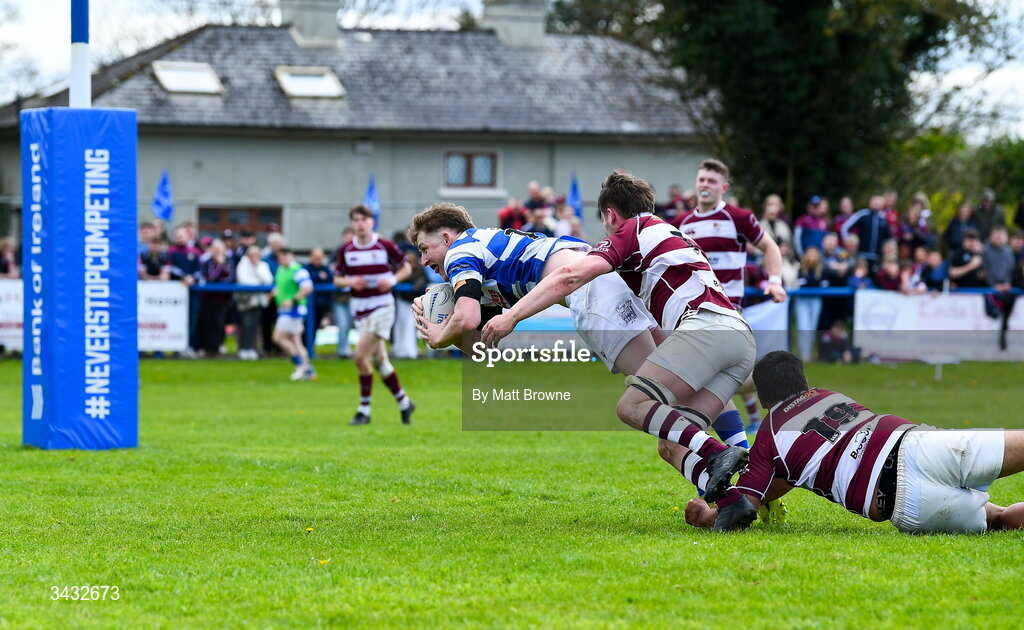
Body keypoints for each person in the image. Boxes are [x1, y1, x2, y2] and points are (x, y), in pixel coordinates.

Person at [476, 171, 760, 528]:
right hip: (738, 337)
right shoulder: (671, 232)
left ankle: (722, 452)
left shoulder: (633, 231)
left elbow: (569, 277)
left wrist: (511, 317)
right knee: (671, 442)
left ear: (611, 215)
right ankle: (740, 502)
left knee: (633, 405)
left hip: (706, 329)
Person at [685, 351, 1024, 533]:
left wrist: (705, 513)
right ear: (805, 381)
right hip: (914, 447)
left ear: (761, 400)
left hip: (904, 506)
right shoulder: (830, 395)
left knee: (1000, 520)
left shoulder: (768, 439)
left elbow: (744, 509)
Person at [674, 158, 787, 437]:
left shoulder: (737, 217)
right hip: (693, 312)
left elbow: (770, 247)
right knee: (718, 376)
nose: (704, 185)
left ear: (723, 187)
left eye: (711, 181)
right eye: (701, 180)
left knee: (706, 375)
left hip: (727, 309)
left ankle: (731, 439)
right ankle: (782, 394)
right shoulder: (680, 224)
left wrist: (774, 281)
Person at [334, 205, 414, 425]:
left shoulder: (384, 245)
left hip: (382, 307)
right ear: (352, 223)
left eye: (363, 219)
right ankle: (405, 403)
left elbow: (406, 267)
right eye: (356, 219)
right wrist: (350, 281)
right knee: (380, 362)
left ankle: (364, 410)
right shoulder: (347, 250)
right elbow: (337, 278)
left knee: (359, 356)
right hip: (359, 309)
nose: (360, 223)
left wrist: (391, 280)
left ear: (372, 222)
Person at [272, 247, 316, 380]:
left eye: (285, 255)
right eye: (280, 256)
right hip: (284, 310)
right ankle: (308, 369)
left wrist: (293, 300)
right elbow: (280, 286)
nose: (282, 259)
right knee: (296, 341)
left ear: (291, 256)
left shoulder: (298, 270)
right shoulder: (281, 270)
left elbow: (307, 288)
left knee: (278, 337)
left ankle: (301, 366)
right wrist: (274, 293)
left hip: (294, 310)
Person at [235, 245, 274, 360]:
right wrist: (258, 283)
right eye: (252, 255)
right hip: (246, 300)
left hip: (259, 300)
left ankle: (252, 348)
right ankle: (244, 348)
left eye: (257, 255)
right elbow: (243, 280)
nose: (254, 258)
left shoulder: (263, 265)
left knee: (255, 326)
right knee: (246, 324)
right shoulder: (243, 264)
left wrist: (257, 267)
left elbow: (268, 280)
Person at [198, 239, 235, 356]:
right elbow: (210, 278)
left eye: (219, 248)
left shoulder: (229, 261)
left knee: (221, 322)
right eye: (215, 248)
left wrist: (221, 267)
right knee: (208, 323)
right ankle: (208, 347)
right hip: (209, 298)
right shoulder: (208, 262)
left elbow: (230, 278)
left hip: (224, 298)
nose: (217, 250)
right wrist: (219, 266)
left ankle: (218, 345)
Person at [841, 195, 890, 267]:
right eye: (874, 201)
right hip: (862, 255)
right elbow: (845, 227)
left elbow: (888, 237)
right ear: (870, 202)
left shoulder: (883, 218)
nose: (876, 203)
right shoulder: (863, 214)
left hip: (876, 257)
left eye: (878, 202)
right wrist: (847, 241)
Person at [304, 247, 334, 355]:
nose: (318, 260)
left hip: (322, 304)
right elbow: (308, 279)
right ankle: (304, 350)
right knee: (305, 328)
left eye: (320, 258)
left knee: (316, 327)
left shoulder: (325, 268)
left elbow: (331, 278)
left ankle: (310, 349)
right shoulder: (306, 268)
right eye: (316, 257)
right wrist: (319, 277)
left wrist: (323, 277)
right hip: (308, 305)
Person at [332, 227, 356, 359]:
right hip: (340, 296)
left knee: (351, 324)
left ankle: (349, 348)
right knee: (342, 323)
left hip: (354, 296)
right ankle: (342, 350)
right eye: (347, 236)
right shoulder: (338, 252)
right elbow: (334, 273)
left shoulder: (359, 252)